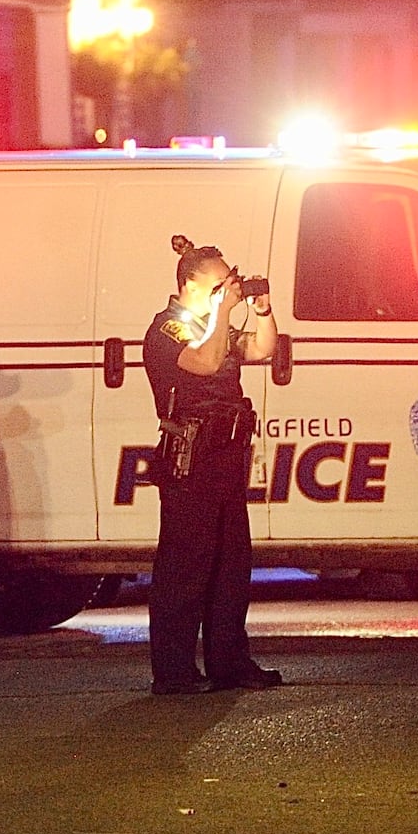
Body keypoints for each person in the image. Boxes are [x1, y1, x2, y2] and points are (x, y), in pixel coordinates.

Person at [142, 233, 281, 694]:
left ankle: (230, 663)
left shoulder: (212, 325)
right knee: (185, 568)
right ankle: (175, 671)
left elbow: (260, 350)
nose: (230, 288)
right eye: (220, 283)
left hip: (225, 459)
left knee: (230, 566)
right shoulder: (169, 329)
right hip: (190, 462)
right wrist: (223, 312)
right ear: (190, 285)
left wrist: (261, 310)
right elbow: (203, 363)